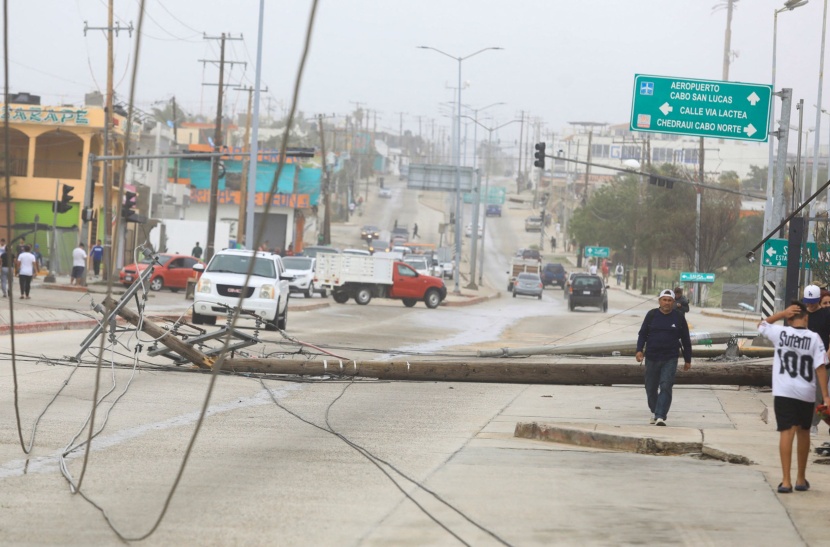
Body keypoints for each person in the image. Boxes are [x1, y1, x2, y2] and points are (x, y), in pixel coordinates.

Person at [758, 301, 830, 493]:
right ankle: (800, 478)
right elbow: (821, 368)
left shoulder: (781, 334)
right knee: (804, 432)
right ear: (806, 317)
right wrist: (826, 396)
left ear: (789, 319)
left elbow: (762, 325)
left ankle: (786, 481)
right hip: (806, 392)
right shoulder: (814, 338)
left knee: (786, 432)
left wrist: (782, 313)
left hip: (784, 391)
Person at [768, 285, 830, 437]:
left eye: (813, 302)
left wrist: (827, 354)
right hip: (803, 363)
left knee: (820, 396)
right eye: (808, 302)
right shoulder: (800, 314)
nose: (810, 305)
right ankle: (810, 423)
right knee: (809, 395)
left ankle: (814, 422)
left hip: (822, 359)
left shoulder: (826, 315)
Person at [635, 289, 692, 426]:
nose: (667, 303)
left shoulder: (678, 317)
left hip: (670, 358)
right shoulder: (651, 315)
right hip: (652, 357)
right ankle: (655, 411)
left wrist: (687, 359)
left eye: (669, 300)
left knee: (666, 385)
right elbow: (643, 334)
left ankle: (660, 415)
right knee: (650, 387)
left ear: (673, 302)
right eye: (664, 300)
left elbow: (685, 339)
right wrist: (639, 350)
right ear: (659, 301)